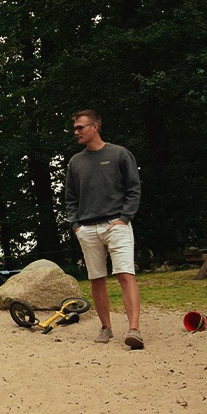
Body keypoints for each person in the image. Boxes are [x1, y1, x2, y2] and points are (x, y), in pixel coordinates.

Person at [65, 109, 143, 349]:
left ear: (95, 127)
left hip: (116, 225)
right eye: (75, 128)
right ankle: (106, 328)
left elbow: (133, 188)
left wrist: (125, 217)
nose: (76, 131)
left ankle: (134, 330)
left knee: (125, 275)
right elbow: (70, 198)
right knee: (96, 279)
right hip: (87, 229)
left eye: (80, 127)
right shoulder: (75, 162)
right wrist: (76, 226)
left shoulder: (120, 154)